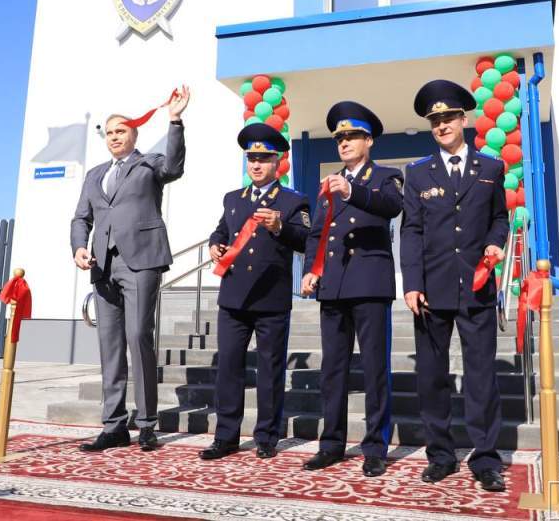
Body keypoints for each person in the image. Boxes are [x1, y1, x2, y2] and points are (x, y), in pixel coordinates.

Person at [400, 79, 509, 491]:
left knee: (481, 376)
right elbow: (411, 230)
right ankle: (441, 455)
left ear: (464, 120)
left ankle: (486, 458)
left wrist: (496, 243)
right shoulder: (417, 173)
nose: (442, 125)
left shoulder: (490, 168)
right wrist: (412, 283)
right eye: (435, 120)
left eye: (448, 117)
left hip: (477, 288)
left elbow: (499, 218)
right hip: (432, 291)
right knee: (432, 377)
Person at [70, 86, 190, 452]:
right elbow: (81, 218)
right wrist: (79, 247)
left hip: (141, 261)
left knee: (138, 336)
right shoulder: (94, 175)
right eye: (109, 132)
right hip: (103, 267)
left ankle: (147, 424)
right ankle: (114, 425)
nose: (114, 137)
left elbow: (175, 166)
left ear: (134, 133)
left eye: (121, 131)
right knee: (109, 345)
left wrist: (175, 120)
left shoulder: (149, 164)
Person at [300, 101, 403, 478]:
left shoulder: (386, 176)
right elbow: (318, 232)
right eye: (340, 138)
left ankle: (375, 447)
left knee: (374, 368)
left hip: (369, 284)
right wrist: (310, 270)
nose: (344, 142)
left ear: (368, 141)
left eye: (352, 136)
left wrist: (352, 191)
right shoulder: (329, 182)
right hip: (333, 285)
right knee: (333, 370)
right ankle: (331, 444)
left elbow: (391, 207)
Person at [199, 123, 310, 460]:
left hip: (270, 298)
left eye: (264, 158)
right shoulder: (234, 199)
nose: (257, 165)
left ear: (278, 162)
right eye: (252, 159)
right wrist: (215, 244)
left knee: (270, 370)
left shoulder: (293, 200)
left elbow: (307, 240)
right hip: (233, 297)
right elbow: (221, 231)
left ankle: (266, 437)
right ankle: (226, 436)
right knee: (229, 369)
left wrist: (280, 227)